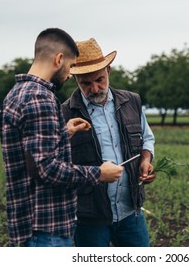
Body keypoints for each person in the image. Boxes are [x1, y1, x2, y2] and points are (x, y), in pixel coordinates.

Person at [0, 28, 123, 247]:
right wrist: (99, 174)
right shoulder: (40, 99)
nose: (68, 75)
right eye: (71, 67)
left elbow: (30, 153)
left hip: (29, 225)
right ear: (59, 59)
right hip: (47, 228)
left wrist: (63, 133)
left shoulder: (17, 93)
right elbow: (46, 169)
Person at [61, 38, 156, 247]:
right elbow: (58, 164)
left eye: (99, 80)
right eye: (86, 83)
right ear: (76, 79)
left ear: (108, 71)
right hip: (89, 217)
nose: (95, 89)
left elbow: (147, 139)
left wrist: (145, 161)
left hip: (130, 211)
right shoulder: (65, 113)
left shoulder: (132, 101)